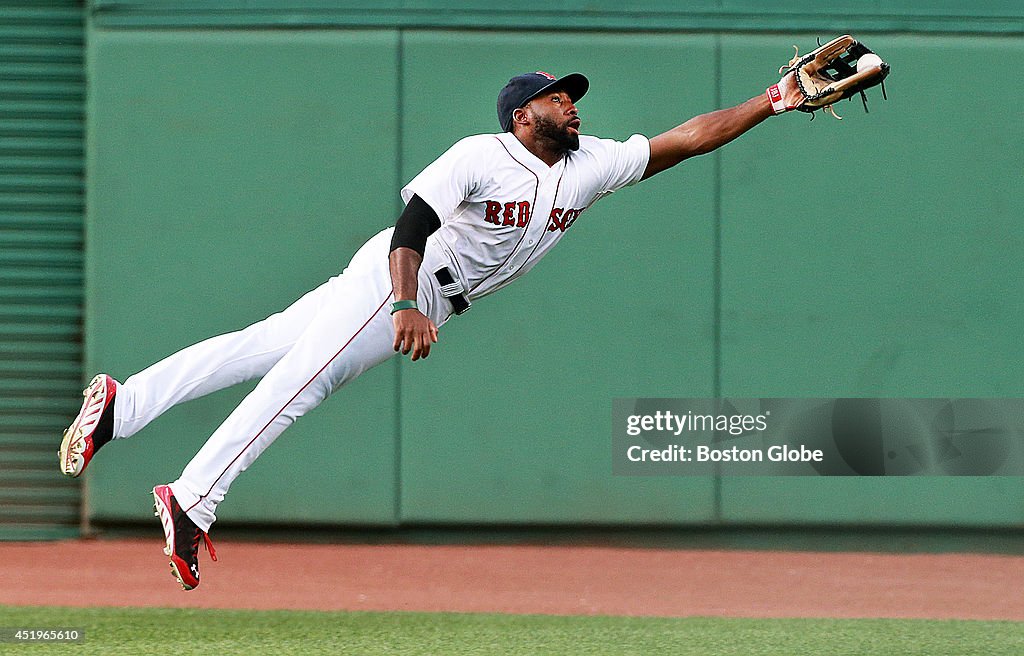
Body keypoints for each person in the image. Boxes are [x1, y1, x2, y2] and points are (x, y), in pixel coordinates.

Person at [59, 68, 808, 590]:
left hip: (422, 297)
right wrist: (402, 303)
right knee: (301, 381)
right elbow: (411, 224)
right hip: (399, 282)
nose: (572, 106)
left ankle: (125, 406)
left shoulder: (591, 164)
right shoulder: (482, 154)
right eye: (556, 98)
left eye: (573, 97)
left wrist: (771, 101)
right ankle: (194, 498)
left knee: (267, 345)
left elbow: (688, 137)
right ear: (522, 116)